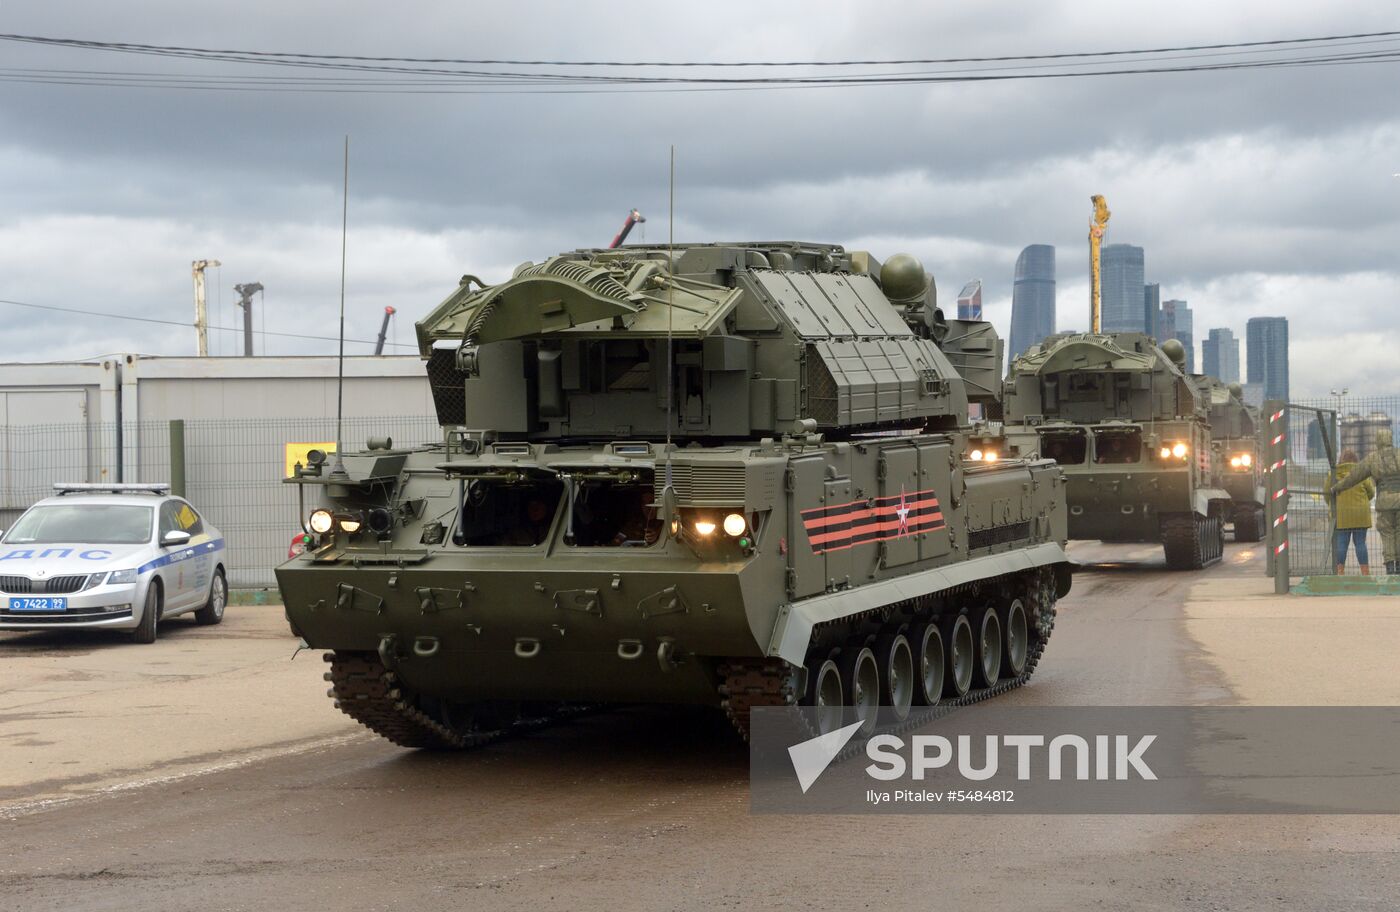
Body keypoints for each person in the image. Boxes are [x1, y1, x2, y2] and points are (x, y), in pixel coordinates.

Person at [1332, 429, 1400, 575]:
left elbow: (1354, 477)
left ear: (1378, 440)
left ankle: (1390, 570)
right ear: (1390, 439)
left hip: (1384, 504)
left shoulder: (1372, 458)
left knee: (1387, 534)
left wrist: (1337, 487)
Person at [1329, 448, 1374, 575]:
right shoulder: (1362, 474)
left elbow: (1328, 494)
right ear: (1356, 460)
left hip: (1341, 515)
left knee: (1341, 544)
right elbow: (1371, 492)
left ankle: (1340, 571)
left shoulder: (1333, 475)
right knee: (1360, 543)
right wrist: (1363, 501)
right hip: (1360, 515)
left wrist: (1334, 506)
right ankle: (1365, 572)